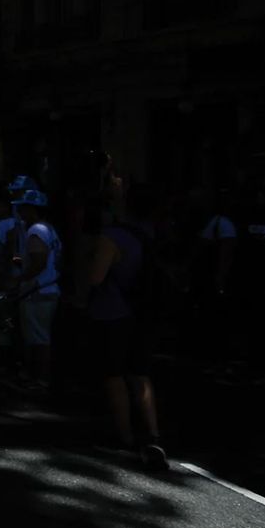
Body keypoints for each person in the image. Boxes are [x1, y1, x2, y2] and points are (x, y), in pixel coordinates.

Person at [86, 183, 167, 470]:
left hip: (113, 313)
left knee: (114, 374)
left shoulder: (112, 237)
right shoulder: (151, 233)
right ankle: (153, 433)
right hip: (144, 313)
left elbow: (96, 278)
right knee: (140, 374)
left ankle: (126, 436)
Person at [13, 188, 62, 388]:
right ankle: (38, 377)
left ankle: (40, 379)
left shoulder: (36, 230)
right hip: (49, 289)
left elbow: (39, 262)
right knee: (41, 336)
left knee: (39, 338)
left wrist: (20, 279)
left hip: (38, 291)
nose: (20, 212)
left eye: (23, 208)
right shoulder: (49, 228)